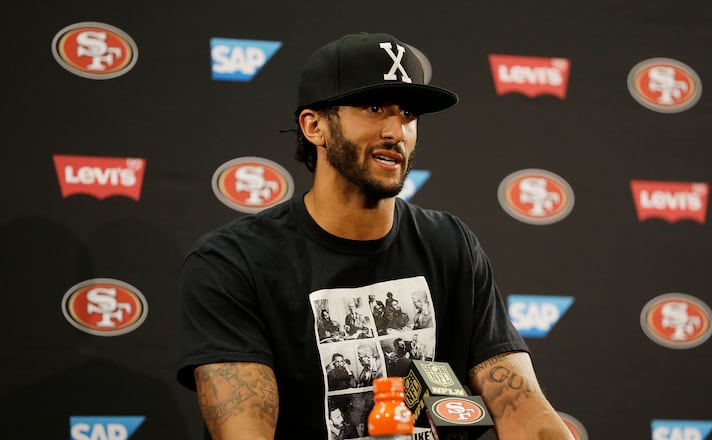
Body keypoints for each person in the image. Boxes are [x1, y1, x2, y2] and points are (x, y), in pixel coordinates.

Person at [177, 31, 574, 440]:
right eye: (373, 108)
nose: (396, 131)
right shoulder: (232, 261)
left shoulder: (451, 244)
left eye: (408, 114)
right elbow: (244, 432)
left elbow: (525, 410)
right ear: (315, 126)